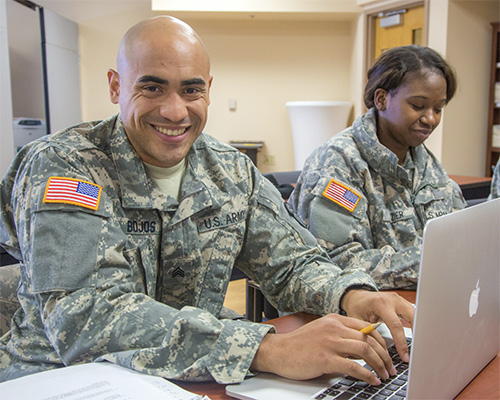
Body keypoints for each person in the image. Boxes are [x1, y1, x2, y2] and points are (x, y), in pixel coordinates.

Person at [0, 16, 414, 386]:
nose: (175, 110)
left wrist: (351, 295)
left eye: (191, 90)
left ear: (208, 90)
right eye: (152, 87)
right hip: (63, 378)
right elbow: (87, 315)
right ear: (115, 86)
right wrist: (266, 350)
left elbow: (292, 262)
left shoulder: (230, 170)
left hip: (197, 378)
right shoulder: (65, 166)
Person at [289, 45, 467, 291]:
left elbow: (464, 241)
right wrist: (432, 263)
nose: (431, 119)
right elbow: (337, 262)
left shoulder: (427, 165)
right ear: (381, 99)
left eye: (438, 109)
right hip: (352, 310)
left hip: (422, 301)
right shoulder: (338, 161)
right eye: (418, 106)